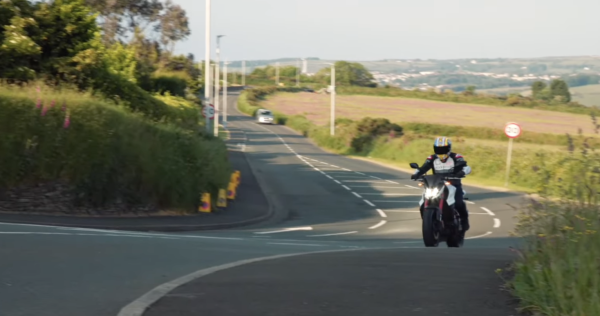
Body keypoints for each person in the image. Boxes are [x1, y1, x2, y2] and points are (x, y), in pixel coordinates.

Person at [410, 136, 472, 231]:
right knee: (423, 202)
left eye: (443, 149)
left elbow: (466, 167)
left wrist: (462, 172)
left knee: (459, 202)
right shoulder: (432, 158)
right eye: (438, 149)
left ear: (448, 148)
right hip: (437, 184)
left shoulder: (456, 157)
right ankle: (429, 222)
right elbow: (423, 168)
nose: (441, 151)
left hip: (453, 184)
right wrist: (416, 174)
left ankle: (464, 221)